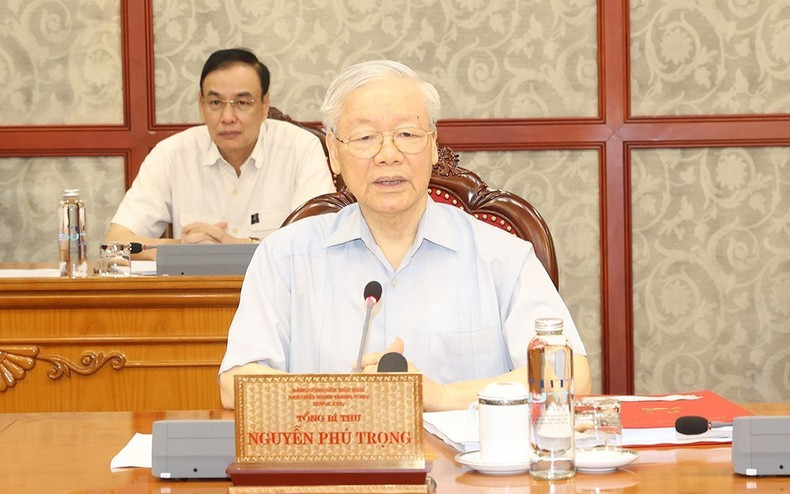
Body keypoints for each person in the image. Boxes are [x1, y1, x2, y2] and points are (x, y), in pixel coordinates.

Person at [218, 60, 592, 411]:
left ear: (433, 145)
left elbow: (569, 373)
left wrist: (441, 396)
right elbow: (236, 381)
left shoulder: (502, 256)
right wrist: (341, 403)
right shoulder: (284, 256)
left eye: (407, 134)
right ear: (333, 152)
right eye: (365, 137)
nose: (388, 155)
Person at [104, 49, 335, 258]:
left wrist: (239, 246)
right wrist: (182, 249)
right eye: (215, 102)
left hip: (279, 298)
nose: (227, 117)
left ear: (265, 105)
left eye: (242, 103)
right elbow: (115, 242)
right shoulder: (171, 154)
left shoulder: (300, 149)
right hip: (197, 300)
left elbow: (317, 240)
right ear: (201, 106)